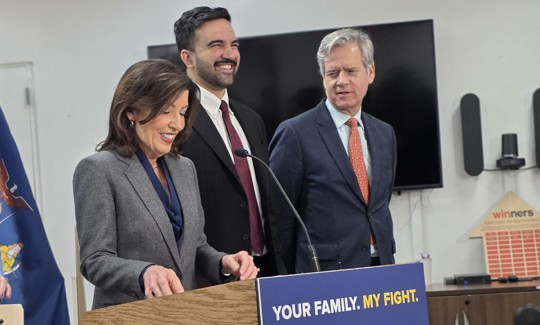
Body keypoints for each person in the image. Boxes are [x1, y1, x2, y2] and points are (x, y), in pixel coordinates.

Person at [73, 59, 257, 309]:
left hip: (183, 313)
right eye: (166, 111)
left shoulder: (184, 168)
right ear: (131, 110)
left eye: (182, 112)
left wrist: (223, 262)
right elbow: (94, 260)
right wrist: (144, 273)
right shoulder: (98, 170)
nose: (177, 124)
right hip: (130, 315)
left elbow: (195, 246)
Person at [269, 28, 397, 274]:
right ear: (323, 77)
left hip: (381, 268)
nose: (341, 81)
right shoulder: (295, 134)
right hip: (324, 275)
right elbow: (280, 220)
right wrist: (285, 280)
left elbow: (378, 204)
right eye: (333, 73)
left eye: (351, 71)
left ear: (370, 73)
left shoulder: (384, 133)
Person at [173, 7, 283, 277]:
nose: (229, 54)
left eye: (233, 45)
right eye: (216, 45)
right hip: (211, 277)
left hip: (265, 268)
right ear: (187, 57)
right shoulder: (176, 121)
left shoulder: (251, 119)